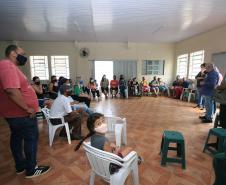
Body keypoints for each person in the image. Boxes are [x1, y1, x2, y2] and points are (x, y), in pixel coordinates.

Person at [0, 45, 50, 178]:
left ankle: (20, 166)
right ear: (12, 53)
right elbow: (11, 90)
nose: (25, 56)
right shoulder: (7, 66)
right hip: (22, 114)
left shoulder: (10, 67)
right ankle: (31, 169)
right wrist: (27, 108)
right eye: (22, 53)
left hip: (15, 114)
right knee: (31, 139)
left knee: (16, 138)